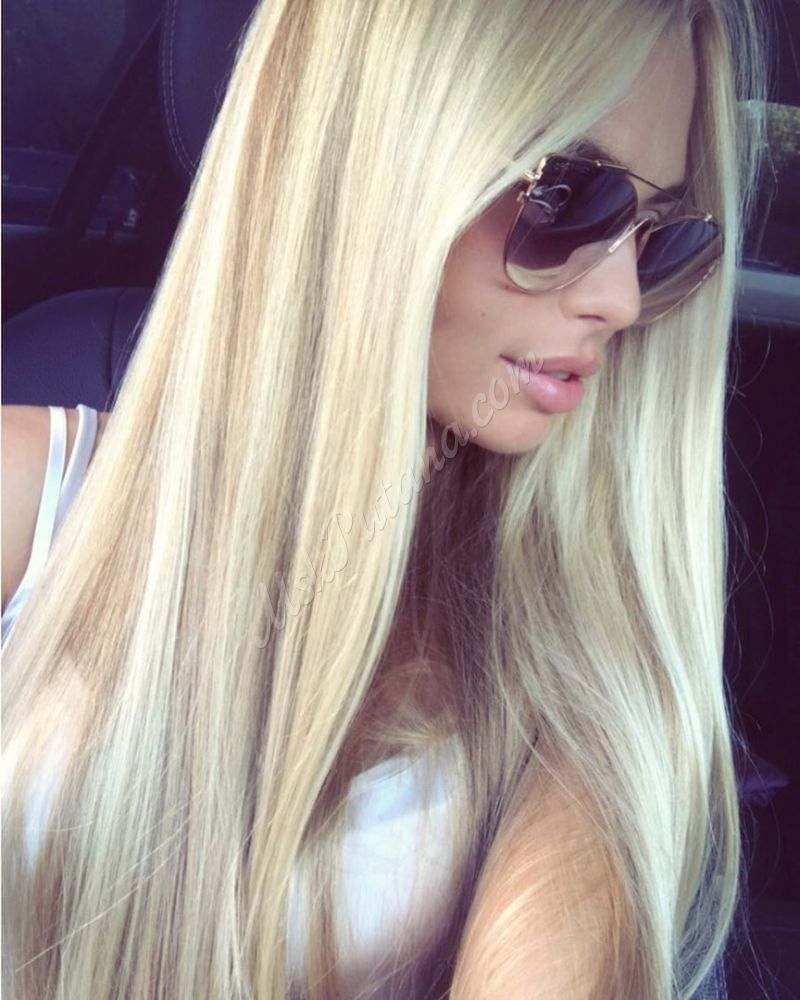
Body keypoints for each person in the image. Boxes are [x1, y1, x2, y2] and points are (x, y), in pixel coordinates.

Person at [1, 0, 768, 996]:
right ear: (368, 163)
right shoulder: (33, 489)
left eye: (661, 235)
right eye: (569, 197)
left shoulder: (563, 658)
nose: (619, 300)